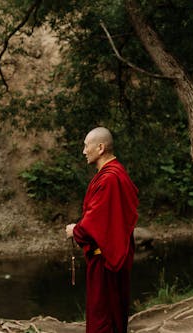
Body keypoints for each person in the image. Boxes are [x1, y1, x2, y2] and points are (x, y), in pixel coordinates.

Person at [66, 127, 139, 333]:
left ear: (100, 147)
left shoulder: (110, 178)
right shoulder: (115, 173)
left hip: (107, 260)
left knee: (104, 318)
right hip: (112, 256)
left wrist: (76, 230)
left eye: (86, 145)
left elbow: (96, 221)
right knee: (111, 315)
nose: (83, 151)